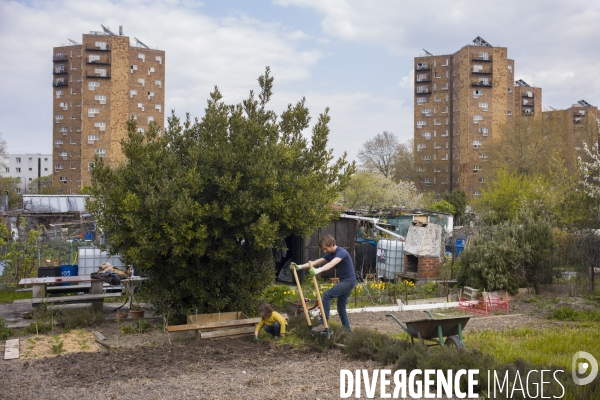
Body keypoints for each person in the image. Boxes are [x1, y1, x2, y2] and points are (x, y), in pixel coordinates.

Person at [292, 234, 356, 332]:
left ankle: (323, 323)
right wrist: (299, 267)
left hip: (348, 282)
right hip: (346, 281)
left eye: (326, 248)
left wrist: (317, 271)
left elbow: (331, 264)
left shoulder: (341, 252)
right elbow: (317, 262)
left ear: (331, 244)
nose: (324, 251)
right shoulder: (330, 254)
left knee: (326, 295)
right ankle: (347, 332)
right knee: (341, 308)